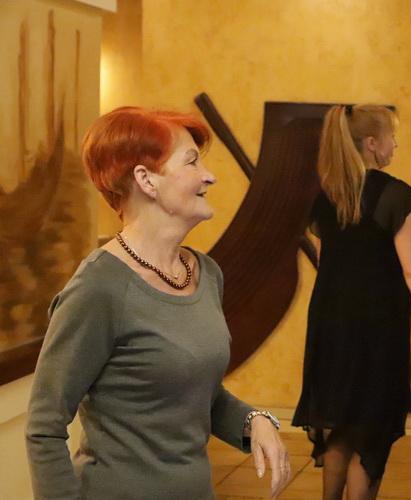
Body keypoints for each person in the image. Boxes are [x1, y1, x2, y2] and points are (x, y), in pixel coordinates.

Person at [25, 107, 290, 500]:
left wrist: (254, 420)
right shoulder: (98, 288)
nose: (209, 176)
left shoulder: (206, 273)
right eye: (192, 161)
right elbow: (43, 427)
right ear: (146, 180)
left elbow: (194, 392)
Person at [292, 104, 411, 500]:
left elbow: (331, 263)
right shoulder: (396, 195)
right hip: (377, 329)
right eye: (392, 137)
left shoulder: (327, 196)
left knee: (340, 428)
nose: (396, 144)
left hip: (329, 326)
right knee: (370, 434)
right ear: (372, 143)